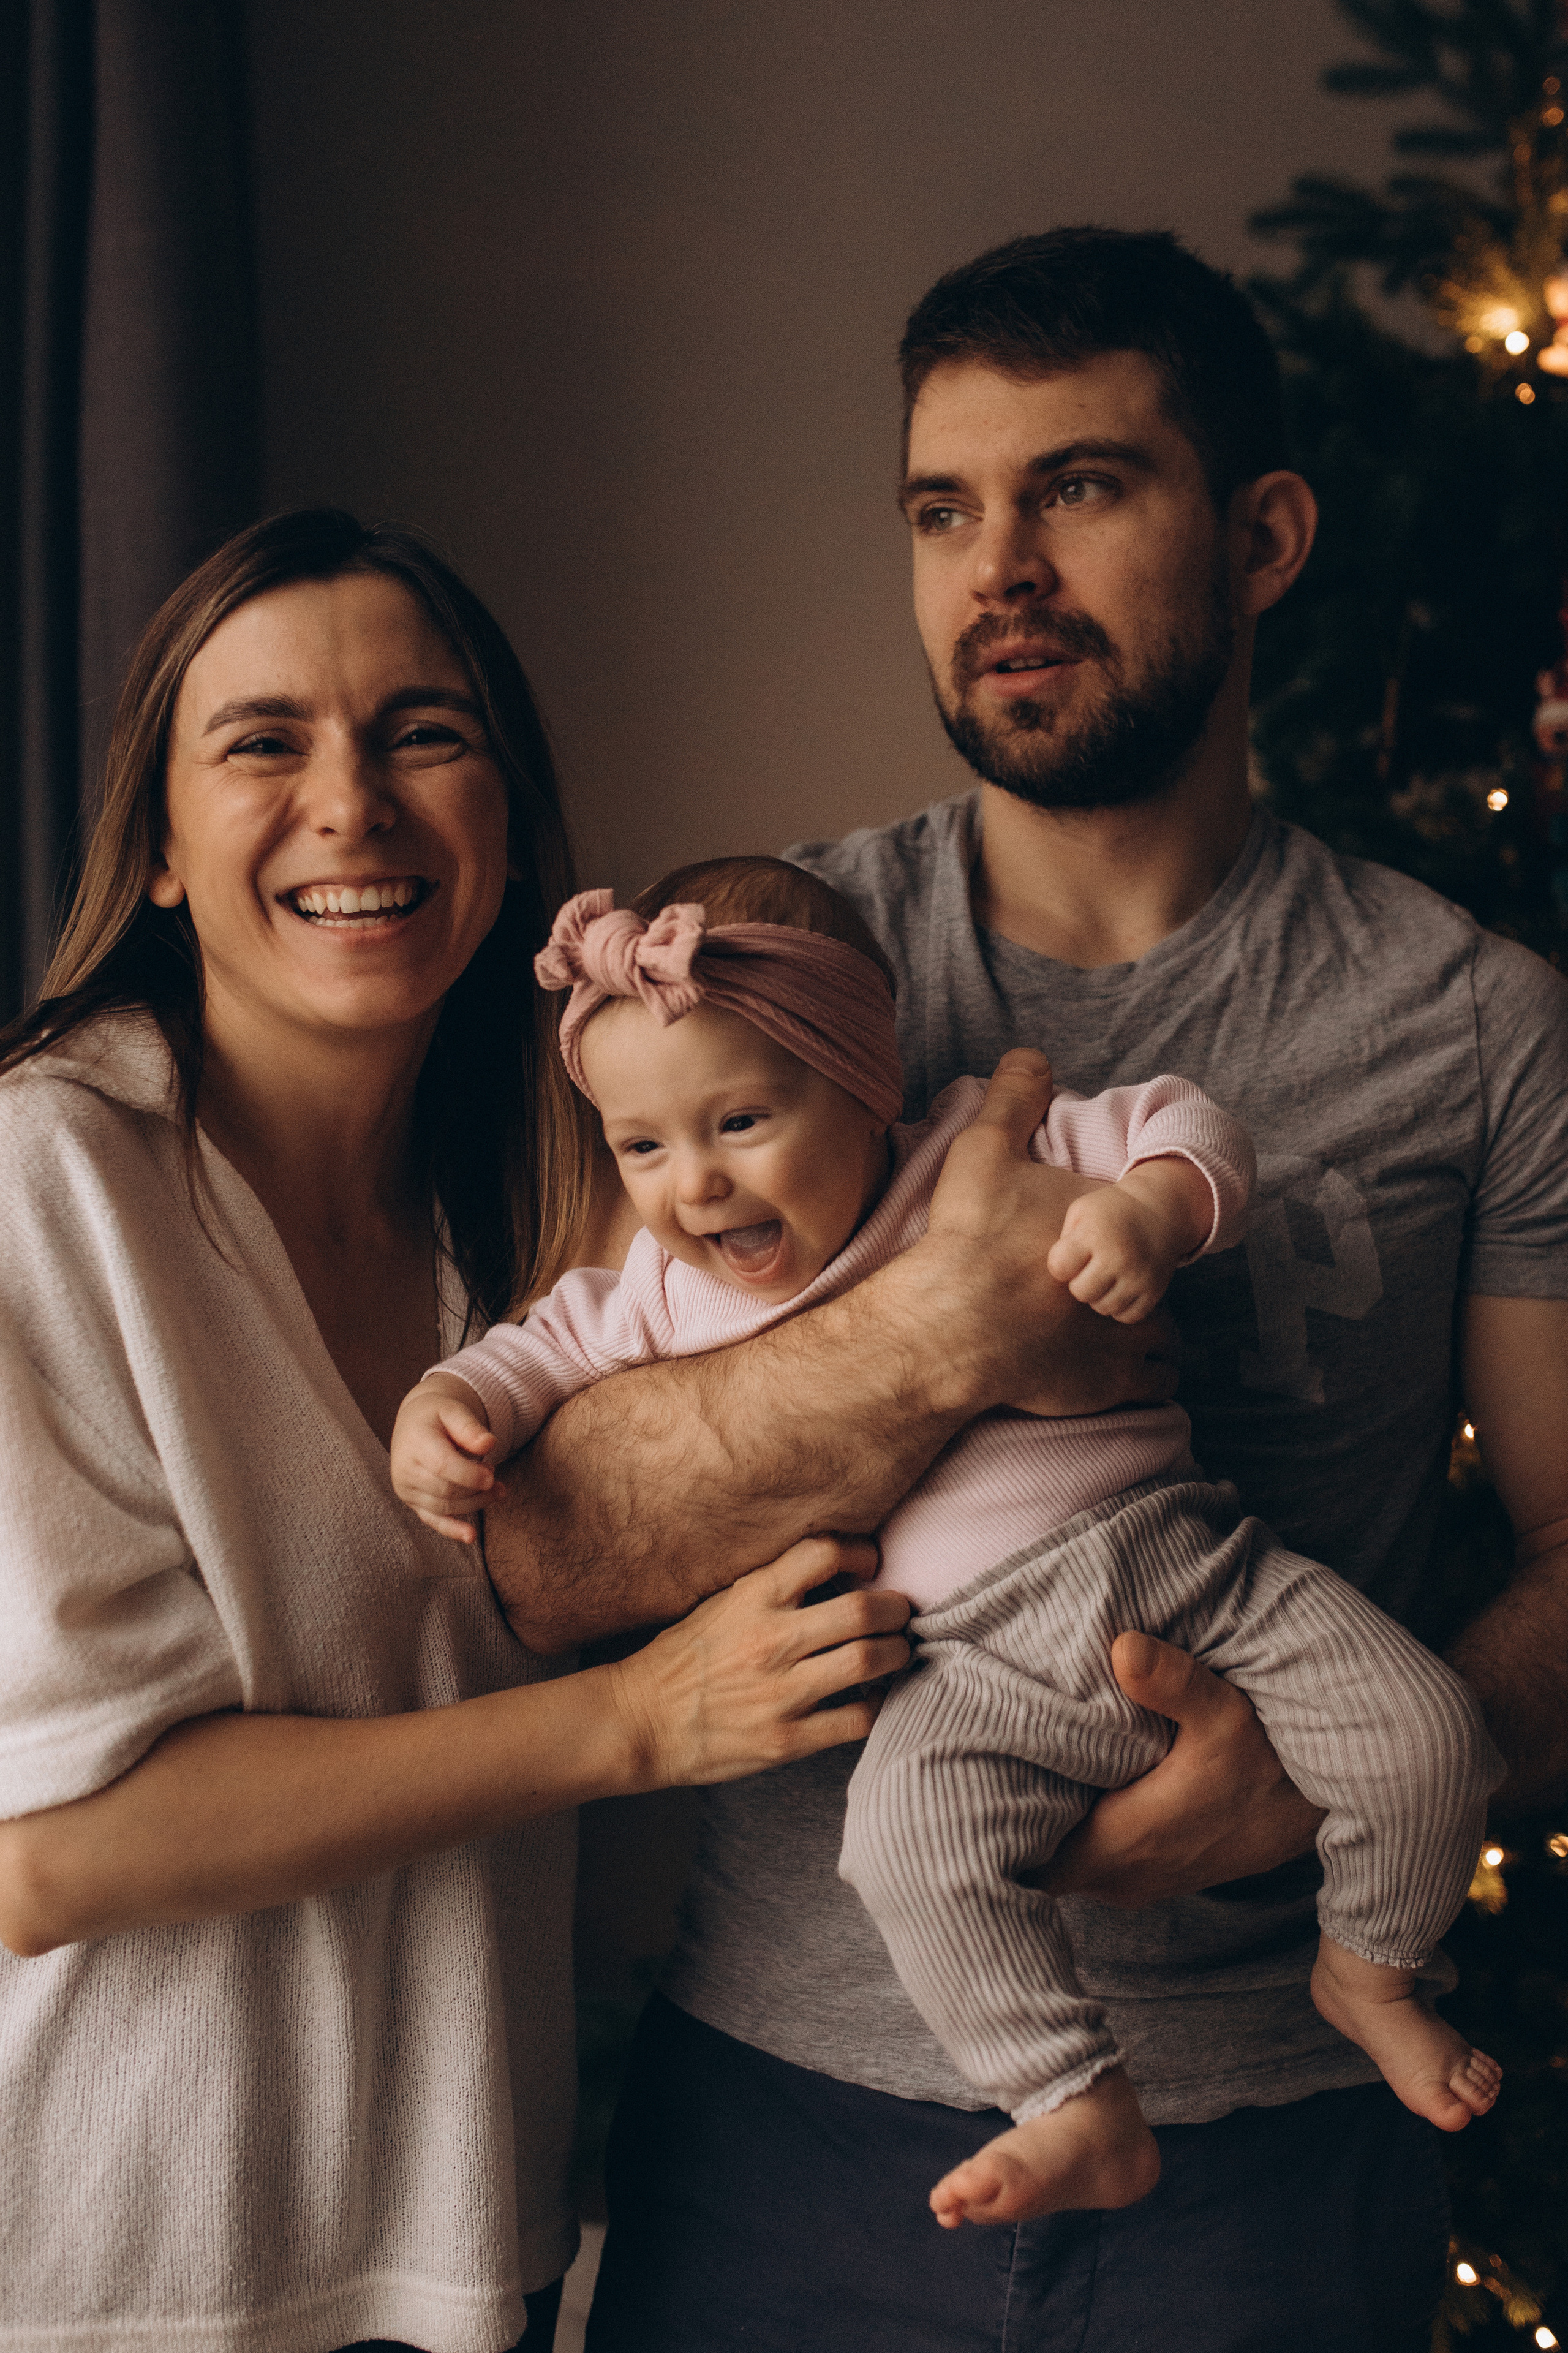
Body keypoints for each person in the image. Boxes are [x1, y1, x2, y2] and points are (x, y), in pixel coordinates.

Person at [477, 231, 1568, 2351]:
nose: (1001, 569)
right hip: (786, 2129)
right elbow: (548, 1551)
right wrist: (943, 1327)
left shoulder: (1472, 1022)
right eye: (942, 509)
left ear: (1262, 537)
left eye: (1078, 487)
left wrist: (1324, 1779)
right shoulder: (747, 988)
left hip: (1273, 2157)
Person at [0, 510, 916, 2353]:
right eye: (264, 743)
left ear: (508, 834)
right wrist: (630, 1724)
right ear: (159, 847)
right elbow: (50, 1849)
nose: (353, 805)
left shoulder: (569, 1209)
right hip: (124, 2278)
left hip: (466, 2249)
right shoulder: (50, 1180)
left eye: (423, 735)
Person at [393, 852, 1501, 2227]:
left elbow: (1180, 1122)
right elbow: (533, 1351)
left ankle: (1371, 1968)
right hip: (961, 1664)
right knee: (901, 1843)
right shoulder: (665, 1289)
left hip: (1191, 1564)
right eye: (643, 1146)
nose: (696, 1186)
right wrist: (446, 1410)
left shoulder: (971, 1146)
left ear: (865, 1083)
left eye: (741, 1121)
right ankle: (1071, 2098)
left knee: (1427, 1728)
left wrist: (1147, 1211)